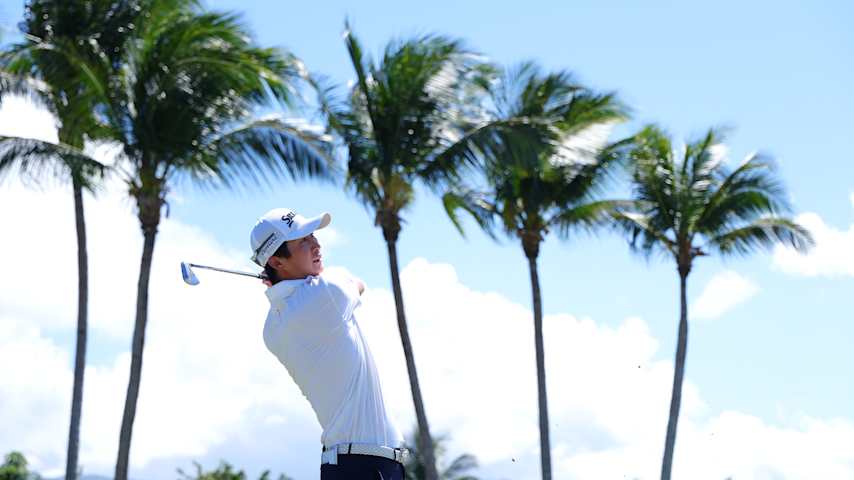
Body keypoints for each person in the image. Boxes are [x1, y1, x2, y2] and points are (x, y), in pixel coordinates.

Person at [250, 208, 406, 480]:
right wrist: (295, 284)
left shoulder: (272, 326)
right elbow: (358, 283)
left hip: (354, 464)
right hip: (364, 467)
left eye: (312, 236)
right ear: (276, 262)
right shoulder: (325, 294)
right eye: (303, 242)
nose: (316, 245)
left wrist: (285, 281)